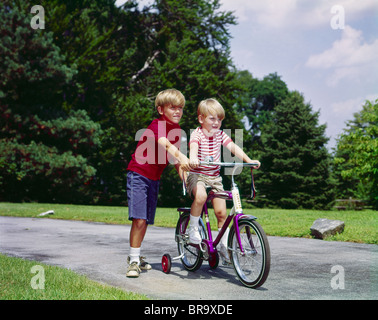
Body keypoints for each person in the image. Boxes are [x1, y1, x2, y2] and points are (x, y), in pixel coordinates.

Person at [126, 89, 191, 277]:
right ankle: (133, 261)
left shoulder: (177, 131)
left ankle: (135, 256)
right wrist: (182, 155)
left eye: (180, 108)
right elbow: (165, 144)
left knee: (145, 220)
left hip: (154, 178)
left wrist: (187, 182)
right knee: (139, 219)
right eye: (173, 108)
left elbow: (177, 161)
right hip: (138, 174)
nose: (178, 111)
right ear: (161, 110)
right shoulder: (157, 125)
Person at [187, 98, 260, 263]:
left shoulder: (220, 135)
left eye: (219, 119)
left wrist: (248, 160)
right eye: (212, 118)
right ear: (201, 119)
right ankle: (193, 230)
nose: (216, 122)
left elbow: (233, 147)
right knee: (201, 197)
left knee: (221, 213)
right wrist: (192, 158)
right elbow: (194, 147)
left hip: (214, 178)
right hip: (197, 175)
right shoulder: (197, 133)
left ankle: (223, 245)